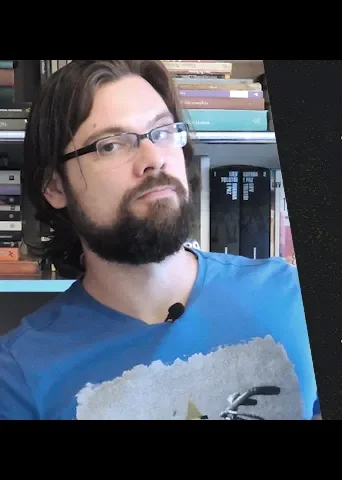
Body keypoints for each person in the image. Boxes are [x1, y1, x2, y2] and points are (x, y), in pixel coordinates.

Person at [0, 60, 321, 420]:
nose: (154, 159)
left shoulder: (292, 298)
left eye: (163, 132)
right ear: (55, 187)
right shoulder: (18, 376)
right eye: (111, 145)